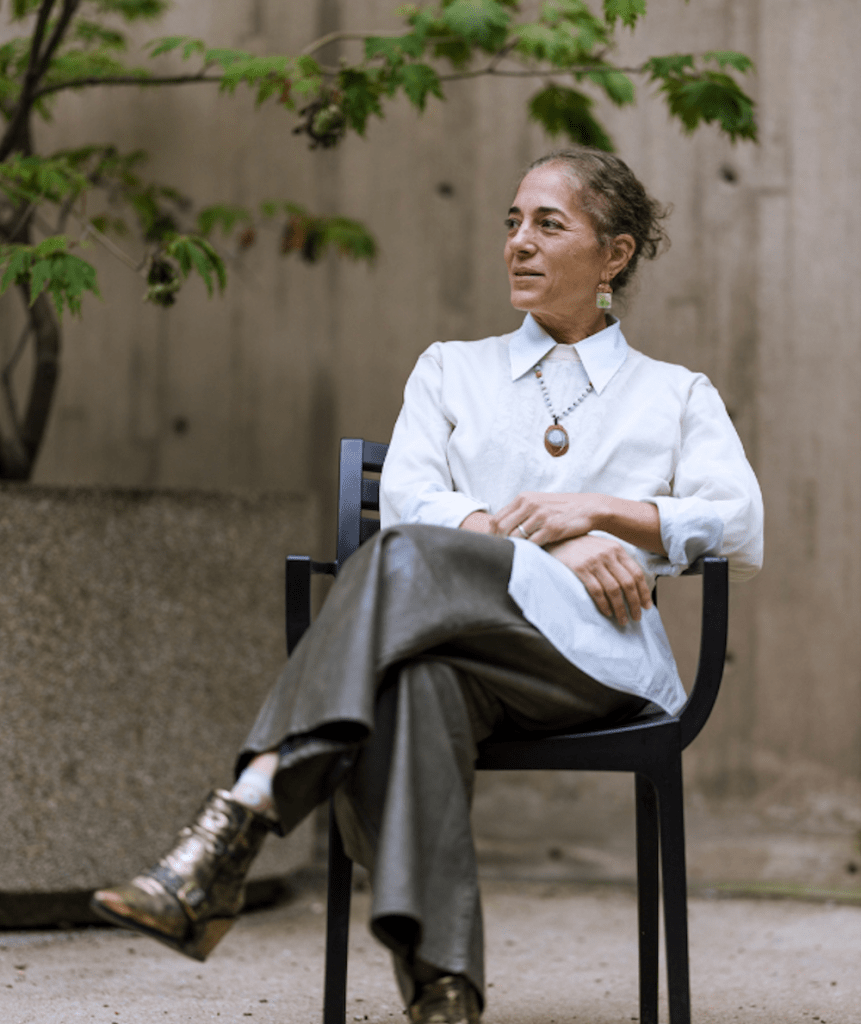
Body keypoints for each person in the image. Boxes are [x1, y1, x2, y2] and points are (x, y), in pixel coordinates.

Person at [91, 147, 763, 1024]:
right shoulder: (451, 369)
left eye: (548, 224)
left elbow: (739, 525)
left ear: (614, 255)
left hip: (597, 664)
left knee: (400, 558)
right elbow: (408, 496)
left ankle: (242, 814)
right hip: (465, 653)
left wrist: (597, 511)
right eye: (512, 221)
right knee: (415, 681)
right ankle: (445, 993)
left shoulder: (673, 395)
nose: (518, 242)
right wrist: (547, 549)